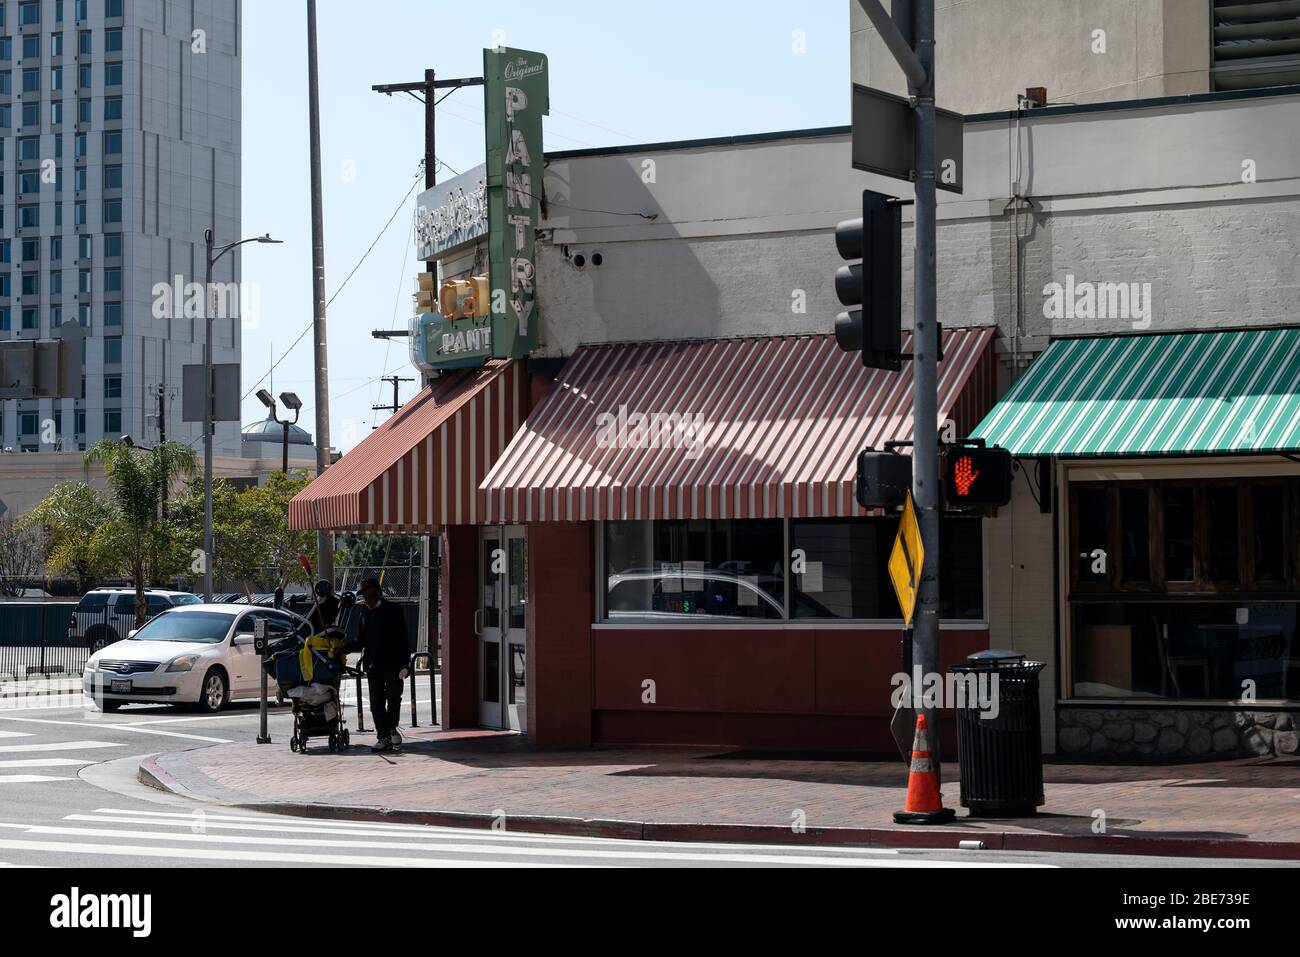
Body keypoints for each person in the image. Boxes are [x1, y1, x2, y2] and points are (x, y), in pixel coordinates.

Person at [356, 577, 409, 752]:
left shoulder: (393, 610)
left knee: (394, 697)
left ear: (377, 592)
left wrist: (405, 664)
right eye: (363, 595)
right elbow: (360, 640)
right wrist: (342, 647)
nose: (366, 599)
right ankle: (383, 736)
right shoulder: (364, 612)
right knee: (376, 702)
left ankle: (392, 727)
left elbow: (403, 638)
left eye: (368, 594)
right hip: (373, 665)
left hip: (393, 663)